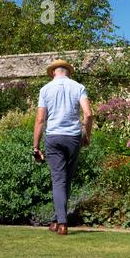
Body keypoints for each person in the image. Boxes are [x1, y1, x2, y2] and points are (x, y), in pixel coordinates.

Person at [33, 59, 93, 236]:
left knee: (59, 180)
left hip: (53, 137)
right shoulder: (78, 87)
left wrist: (36, 146)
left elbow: (40, 120)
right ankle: (57, 219)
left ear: (53, 72)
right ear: (68, 72)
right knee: (65, 179)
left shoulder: (45, 90)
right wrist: (86, 136)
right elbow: (89, 114)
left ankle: (62, 223)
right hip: (73, 137)